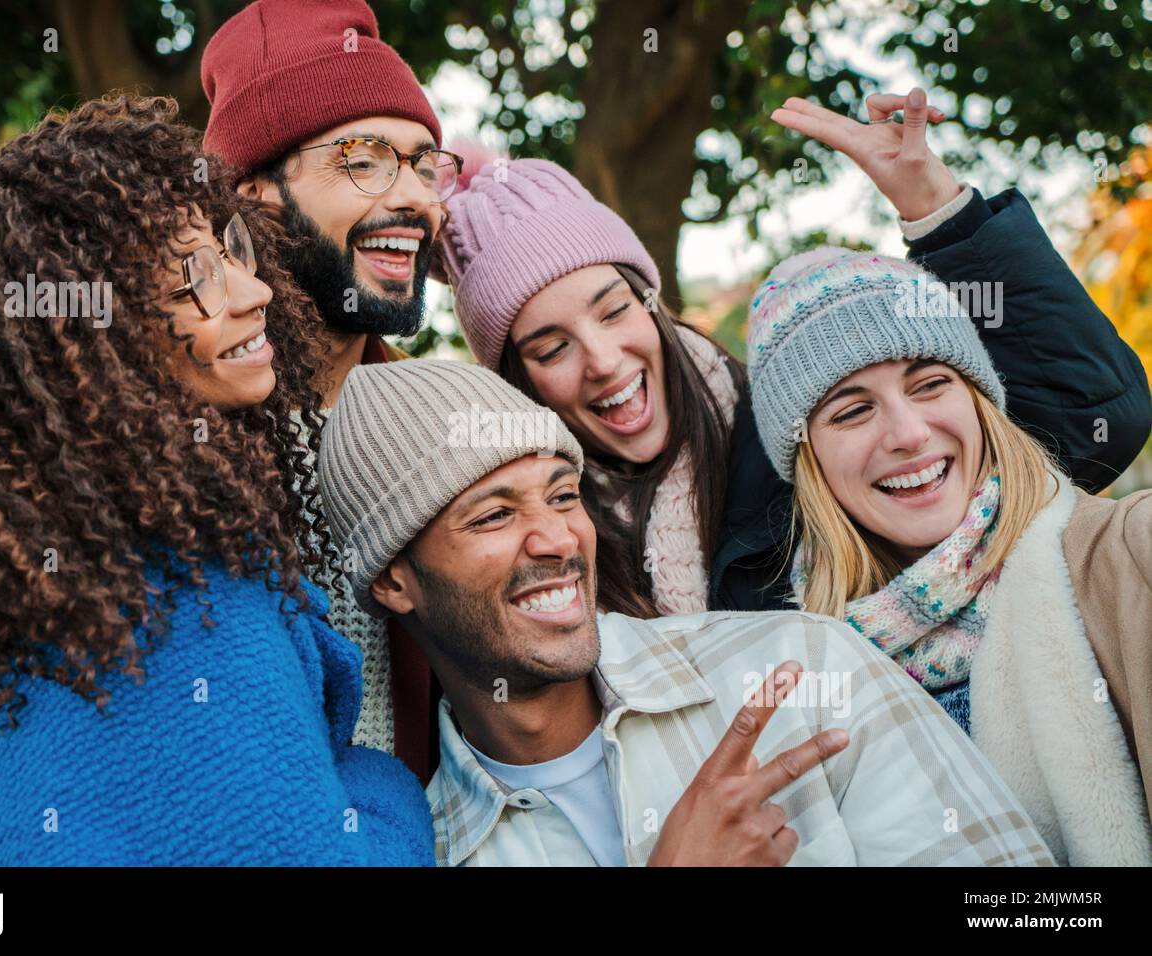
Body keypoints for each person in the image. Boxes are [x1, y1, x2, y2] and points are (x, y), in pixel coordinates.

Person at [0, 95, 433, 866]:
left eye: (231, 252)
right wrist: (377, 785)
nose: (254, 292)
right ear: (77, 346)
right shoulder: (195, 608)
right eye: (194, 278)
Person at [435, 88, 1151, 619]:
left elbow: (1093, 416)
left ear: (651, 305)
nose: (602, 359)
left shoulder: (789, 424)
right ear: (517, 380)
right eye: (551, 346)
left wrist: (940, 210)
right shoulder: (544, 529)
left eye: (614, 309)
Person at [316, 358, 1054, 866]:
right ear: (393, 582)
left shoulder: (800, 669)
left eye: (563, 495)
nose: (555, 540)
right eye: (491, 517)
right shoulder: (438, 848)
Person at [744, 246, 1152, 866]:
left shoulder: (1126, 557)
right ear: (809, 464)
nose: (908, 433)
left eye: (931, 383)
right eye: (852, 411)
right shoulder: (800, 677)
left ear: (979, 399)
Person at [200, 0, 461, 777]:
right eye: (367, 159)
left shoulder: (439, 431)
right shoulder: (166, 446)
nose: (417, 197)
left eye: (423, 163)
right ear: (252, 194)